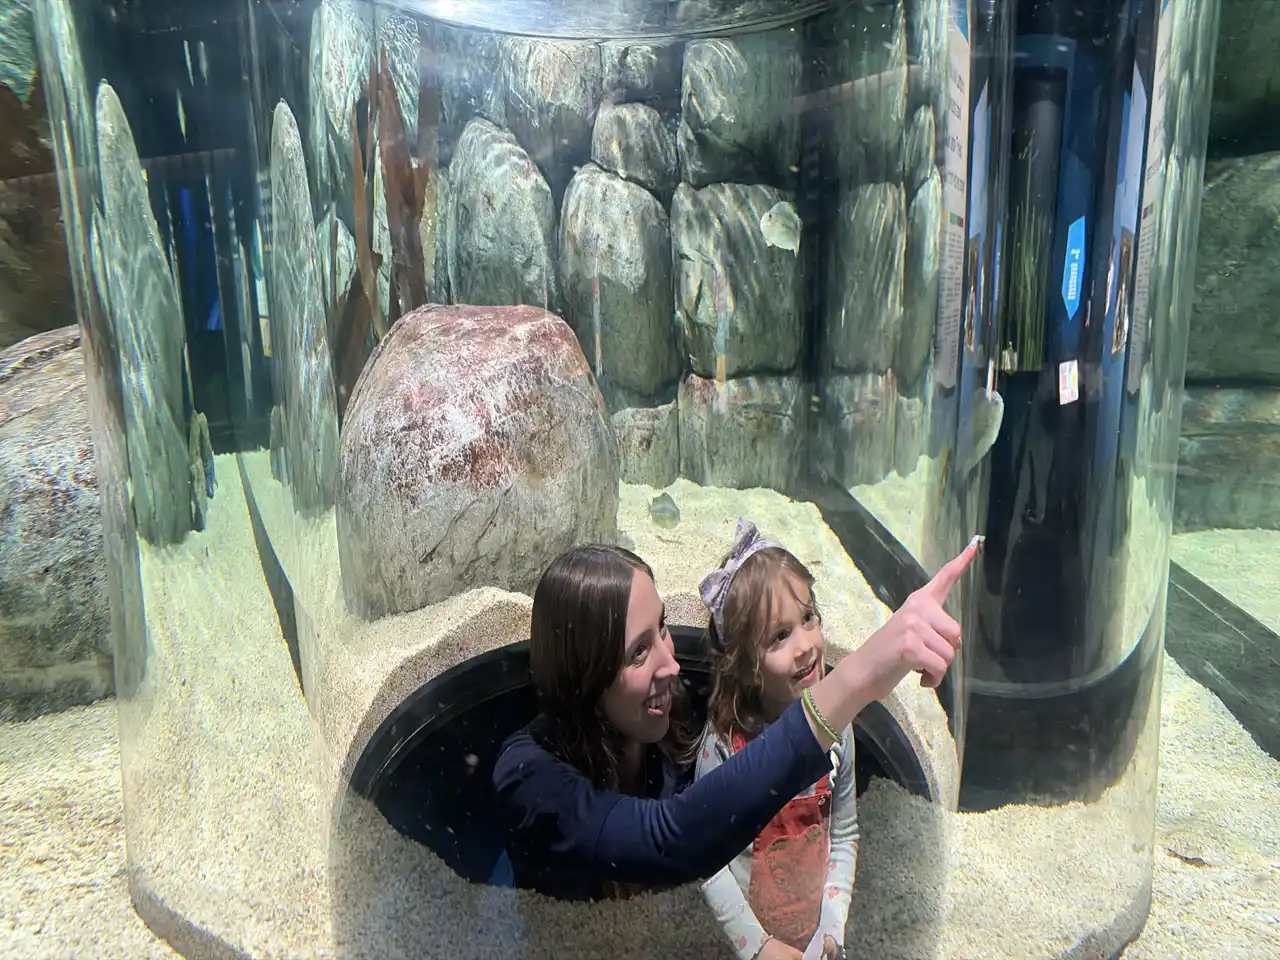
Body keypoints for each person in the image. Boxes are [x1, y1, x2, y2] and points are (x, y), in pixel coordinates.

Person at [492, 534, 977, 902]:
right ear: (584, 678)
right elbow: (670, 840)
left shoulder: (673, 713)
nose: (672, 664)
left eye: (663, 627)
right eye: (639, 652)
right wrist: (857, 678)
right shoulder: (527, 776)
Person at [694, 521, 857, 960]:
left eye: (808, 618)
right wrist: (758, 947)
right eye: (780, 636)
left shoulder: (839, 727)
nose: (805, 645)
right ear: (744, 664)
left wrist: (832, 927)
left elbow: (844, 833)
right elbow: (706, 861)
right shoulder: (723, 747)